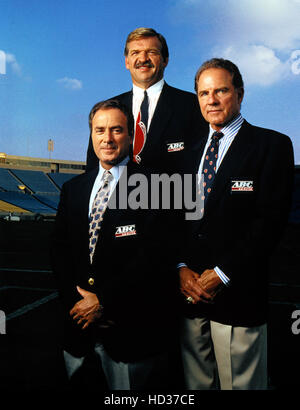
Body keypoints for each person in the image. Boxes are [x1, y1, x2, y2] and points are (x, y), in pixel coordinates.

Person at [179, 58, 294, 390]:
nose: (212, 100)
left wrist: (222, 274)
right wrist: (182, 266)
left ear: (240, 94)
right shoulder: (189, 152)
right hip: (189, 295)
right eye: (204, 93)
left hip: (238, 293)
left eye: (221, 91)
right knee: (195, 386)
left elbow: (269, 223)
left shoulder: (271, 145)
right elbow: (176, 219)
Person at [51, 99, 179, 391]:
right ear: (91, 135)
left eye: (116, 130)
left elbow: (154, 259)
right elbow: (59, 252)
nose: (107, 138)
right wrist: (78, 303)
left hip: (130, 334)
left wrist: (105, 301)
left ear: (132, 137)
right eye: (99, 130)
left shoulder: (155, 187)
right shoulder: (74, 189)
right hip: (78, 329)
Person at [86, 27, 207, 173]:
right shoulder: (107, 110)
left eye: (152, 52)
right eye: (135, 53)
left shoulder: (192, 105)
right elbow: (93, 169)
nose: (143, 59)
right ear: (127, 62)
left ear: (165, 60)